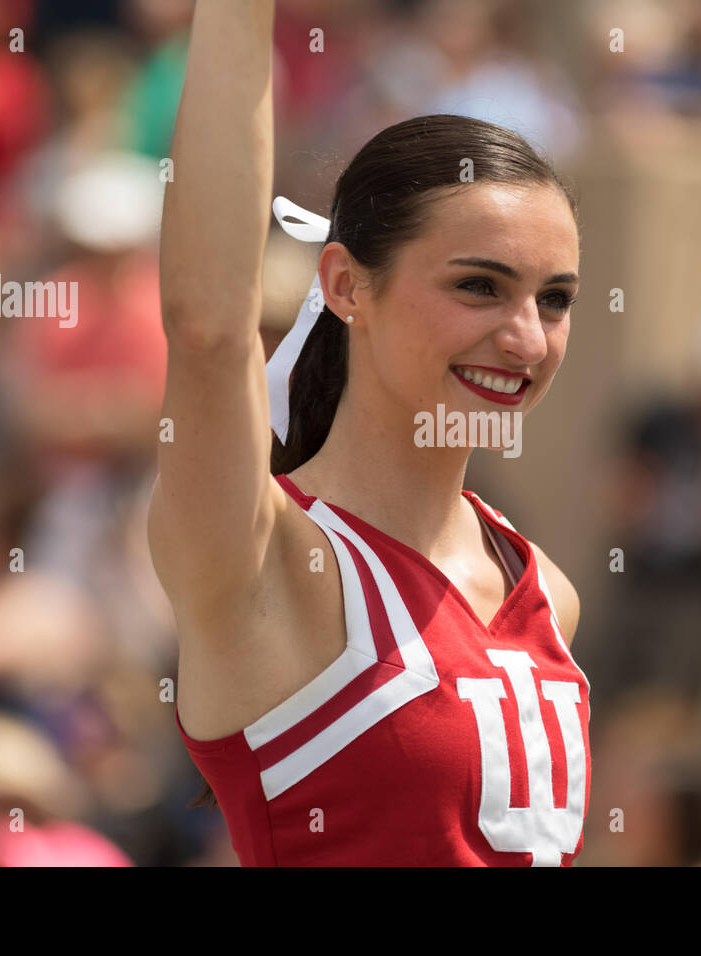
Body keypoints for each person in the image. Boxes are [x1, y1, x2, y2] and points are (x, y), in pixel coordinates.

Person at [149, 0, 589, 866]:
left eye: (555, 299)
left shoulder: (546, 592)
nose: (527, 338)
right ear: (346, 287)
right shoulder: (267, 562)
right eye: (479, 287)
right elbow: (208, 329)